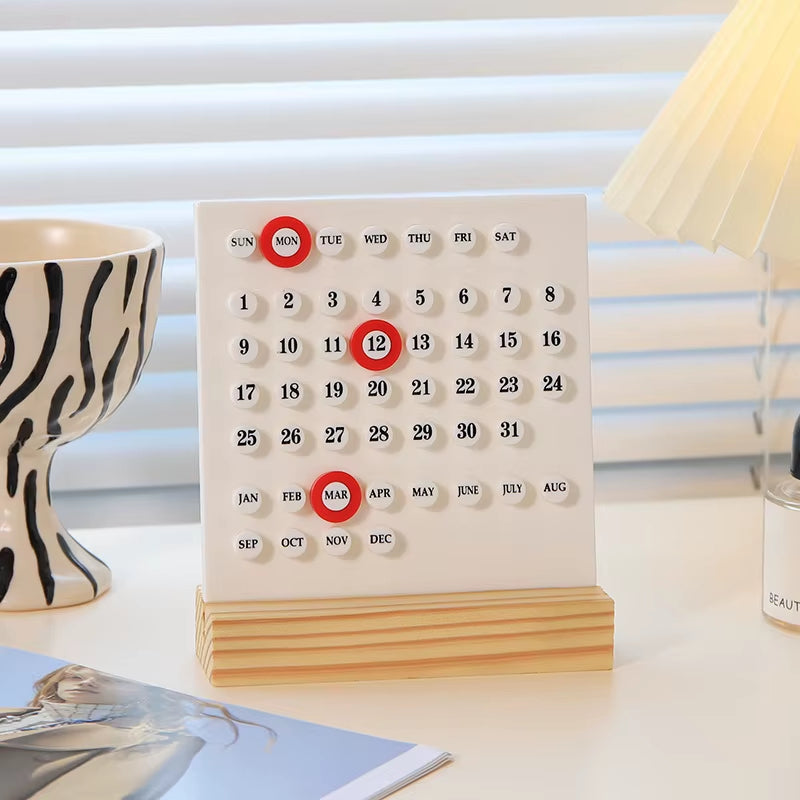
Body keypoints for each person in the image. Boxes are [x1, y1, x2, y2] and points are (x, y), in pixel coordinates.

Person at [0, 663, 276, 799]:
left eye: (110, 679)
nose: (87, 682)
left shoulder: (155, 741)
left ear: (145, 692)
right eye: (75, 675)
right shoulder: (9, 714)